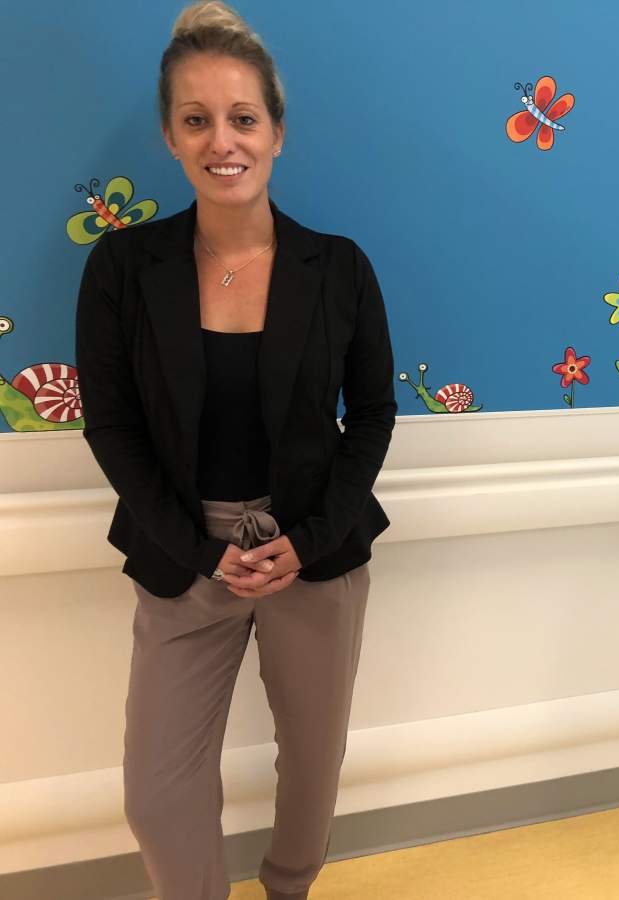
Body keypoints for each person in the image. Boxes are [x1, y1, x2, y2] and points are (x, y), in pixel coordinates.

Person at [74, 3, 396, 898]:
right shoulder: (122, 270)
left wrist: (313, 536)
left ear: (277, 133)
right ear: (170, 136)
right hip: (182, 553)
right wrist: (200, 546)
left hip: (316, 551)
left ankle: (289, 886)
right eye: (197, 119)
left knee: (314, 768)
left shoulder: (339, 269)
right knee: (157, 790)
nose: (224, 140)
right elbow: (113, 425)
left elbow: (371, 414)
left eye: (243, 118)